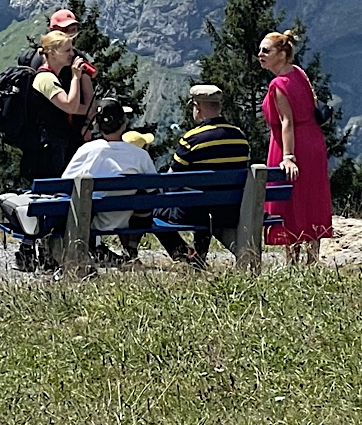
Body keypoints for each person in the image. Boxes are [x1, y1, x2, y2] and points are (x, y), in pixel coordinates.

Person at [155, 84, 252, 267]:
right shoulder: (239, 137)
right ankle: (198, 256)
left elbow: (171, 179)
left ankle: (184, 254)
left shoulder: (192, 139)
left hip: (195, 213)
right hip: (228, 211)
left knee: (154, 210)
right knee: (206, 201)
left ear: (197, 107)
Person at [259, 31, 333, 263]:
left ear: (281, 54)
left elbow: (286, 121)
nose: (260, 54)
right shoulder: (298, 73)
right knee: (312, 197)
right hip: (313, 141)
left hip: (290, 143)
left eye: (266, 51)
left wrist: (288, 156)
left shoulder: (278, 84)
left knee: (289, 200)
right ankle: (312, 258)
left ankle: (292, 258)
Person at [63, 98, 157, 260]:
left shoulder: (87, 150)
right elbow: (154, 191)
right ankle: (130, 248)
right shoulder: (140, 155)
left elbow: (64, 185)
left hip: (90, 220)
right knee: (143, 198)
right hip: (125, 220)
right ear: (124, 123)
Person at [20, 30, 92, 186]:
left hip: (56, 145)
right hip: (47, 150)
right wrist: (75, 77)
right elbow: (70, 106)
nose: (72, 54)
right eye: (67, 50)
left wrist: (89, 109)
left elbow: (74, 107)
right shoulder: (45, 78)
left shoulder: (54, 76)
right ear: (52, 53)